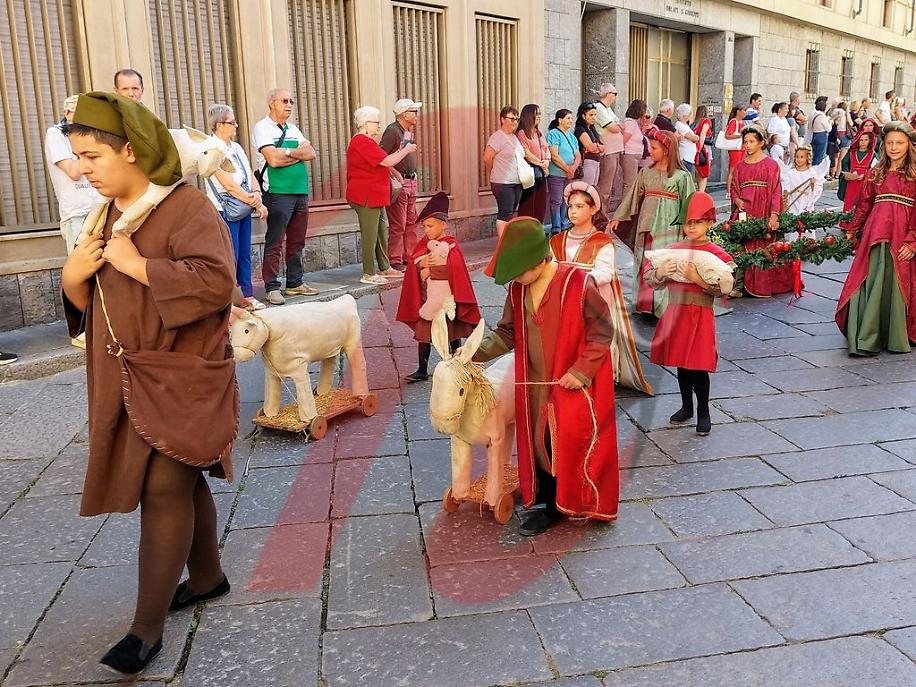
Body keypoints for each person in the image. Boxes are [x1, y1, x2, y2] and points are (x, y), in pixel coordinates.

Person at [61, 92, 237, 676]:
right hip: (128, 374)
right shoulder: (105, 213)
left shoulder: (185, 207)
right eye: (77, 156)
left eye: (90, 155)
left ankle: (145, 630)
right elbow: (101, 305)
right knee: (181, 479)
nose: (82, 168)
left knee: (164, 488)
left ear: (130, 149)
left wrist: (139, 266)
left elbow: (218, 284)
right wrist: (73, 281)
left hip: (181, 372)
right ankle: (208, 577)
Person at [472, 217, 619, 535]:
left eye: (521, 272)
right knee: (537, 441)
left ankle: (559, 506)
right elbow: (507, 333)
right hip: (535, 381)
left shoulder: (578, 282)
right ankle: (548, 497)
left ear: (541, 259)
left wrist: (581, 371)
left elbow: (603, 331)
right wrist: (472, 352)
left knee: (564, 440)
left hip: (569, 381)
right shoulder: (517, 289)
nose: (518, 279)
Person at [644, 192, 735, 436]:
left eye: (697, 222)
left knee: (698, 364)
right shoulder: (674, 249)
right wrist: (661, 271)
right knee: (682, 363)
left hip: (700, 312)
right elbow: (652, 280)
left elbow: (725, 287)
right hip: (676, 311)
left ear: (709, 223)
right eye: (688, 223)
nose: (691, 227)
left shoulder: (716, 253)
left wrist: (699, 280)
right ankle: (687, 406)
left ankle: (703, 410)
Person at [553, 181, 652, 395]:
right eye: (571, 206)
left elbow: (605, 273)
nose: (573, 211)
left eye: (580, 206)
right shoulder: (557, 241)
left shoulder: (602, 242)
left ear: (593, 209)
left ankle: (600, 378)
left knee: (595, 340)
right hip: (565, 302)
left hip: (595, 302)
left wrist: (574, 279)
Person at [837, 122, 916, 355]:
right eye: (890, 142)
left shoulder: (914, 175)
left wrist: (913, 241)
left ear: (909, 146)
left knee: (898, 280)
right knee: (870, 278)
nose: (894, 147)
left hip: (902, 234)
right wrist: (853, 229)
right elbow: (864, 205)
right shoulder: (875, 173)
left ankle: (895, 334)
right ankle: (867, 333)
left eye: (899, 143)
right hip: (875, 234)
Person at [396, 192, 481, 382]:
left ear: (443, 225)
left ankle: (456, 363)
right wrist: (421, 264)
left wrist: (432, 271)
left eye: (430, 226)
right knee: (424, 333)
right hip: (429, 298)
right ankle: (422, 369)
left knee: (452, 331)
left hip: (447, 299)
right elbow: (413, 264)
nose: (426, 230)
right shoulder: (423, 244)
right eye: (424, 226)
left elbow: (456, 270)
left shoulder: (451, 245)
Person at [609, 130, 695, 317]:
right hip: (646, 225)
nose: (650, 150)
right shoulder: (645, 172)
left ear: (666, 150)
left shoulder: (682, 176)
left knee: (665, 263)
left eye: (654, 148)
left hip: (670, 227)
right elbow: (633, 196)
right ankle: (645, 303)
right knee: (645, 261)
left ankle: (663, 306)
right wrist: (618, 216)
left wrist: (690, 228)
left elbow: (689, 203)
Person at [251, 87, 319, 305]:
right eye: (284, 101)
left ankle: (294, 283)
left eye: (291, 100)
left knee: (297, 241)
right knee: (275, 241)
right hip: (278, 193)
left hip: (299, 191)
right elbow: (273, 160)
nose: (289, 104)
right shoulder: (262, 128)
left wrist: (287, 153)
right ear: (272, 103)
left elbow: (311, 152)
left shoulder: (293, 128)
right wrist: (295, 154)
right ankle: (271, 286)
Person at [205, 103, 267, 311]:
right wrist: (253, 201)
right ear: (219, 124)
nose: (236, 126)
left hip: (243, 204)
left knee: (244, 254)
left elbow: (249, 174)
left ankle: (247, 295)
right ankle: (232, 299)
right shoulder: (211, 149)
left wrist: (256, 193)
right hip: (226, 208)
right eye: (232, 122)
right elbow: (228, 185)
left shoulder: (236, 148)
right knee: (230, 255)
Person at [346, 105, 416, 285]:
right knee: (370, 235)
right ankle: (368, 272)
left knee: (380, 232)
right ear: (366, 124)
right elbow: (386, 160)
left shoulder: (366, 142)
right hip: (366, 196)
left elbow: (382, 163)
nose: (378, 127)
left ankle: (385, 267)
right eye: (376, 123)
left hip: (375, 196)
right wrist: (405, 151)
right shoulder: (361, 141)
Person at [730, 125, 791, 298]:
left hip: (763, 209)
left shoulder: (770, 165)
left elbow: (775, 191)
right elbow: (734, 187)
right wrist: (736, 200)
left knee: (762, 246)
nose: (747, 145)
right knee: (742, 245)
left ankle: (761, 284)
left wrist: (774, 214)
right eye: (745, 142)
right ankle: (739, 285)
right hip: (744, 210)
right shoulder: (740, 166)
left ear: (761, 143)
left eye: (751, 141)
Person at [45, 94, 100, 254]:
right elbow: (73, 172)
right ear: (67, 113)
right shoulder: (56, 134)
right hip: (77, 212)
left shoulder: (88, 133)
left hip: (99, 207)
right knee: (82, 265)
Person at [381, 98, 422, 271]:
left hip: (410, 180)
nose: (417, 115)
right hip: (400, 182)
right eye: (414, 111)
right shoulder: (392, 131)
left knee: (411, 221)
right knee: (399, 222)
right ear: (405, 114)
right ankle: (395, 259)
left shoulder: (405, 131)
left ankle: (410, 256)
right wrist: (395, 173)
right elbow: (381, 157)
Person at [484, 105, 525, 236]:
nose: (515, 122)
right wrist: (494, 171)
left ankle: (509, 239)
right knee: (505, 212)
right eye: (512, 119)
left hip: (516, 181)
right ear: (502, 119)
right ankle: (502, 243)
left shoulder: (514, 137)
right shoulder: (497, 137)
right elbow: (487, 158)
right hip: (502, 182)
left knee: (511, 212)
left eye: (517, 119)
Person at [546, 109, 580, 234]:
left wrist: (573, 169)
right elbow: (554, 155)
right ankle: (556, 228)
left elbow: (578, 155)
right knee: (556, 201)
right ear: (560, 120)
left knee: (566, 200)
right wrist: (567, 169)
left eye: (571, 118)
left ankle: (563, 224)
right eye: (568, 118)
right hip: (556, 174)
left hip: (568, 175)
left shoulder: (572, 136)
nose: (570, 121)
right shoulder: (554, 134)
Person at [516, 104, 550, 222]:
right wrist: (541, 163)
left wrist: (546, 161)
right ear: (529, 116)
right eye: (537, 114)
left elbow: (546, 148)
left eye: (540, 114)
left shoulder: (538, 132)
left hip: (542, 172)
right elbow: (526, 153)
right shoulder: (522, 133)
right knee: (528, 204)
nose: (539, 116)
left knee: (541, 204)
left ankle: (537, 229)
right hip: (530, 172)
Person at [594, 84, 624, 211]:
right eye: (615, 93)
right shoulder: (599, 108)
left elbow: (619, 124)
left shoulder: (608, 109)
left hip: (615, 150)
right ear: (608, 93)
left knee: (611, 185)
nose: (615, 97)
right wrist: (617, 126)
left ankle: (604, 211)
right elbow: (614, 127)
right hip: (608, 151)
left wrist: (617, 126)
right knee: (605, 186)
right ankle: (601, 213)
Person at [777, 144, 830, 215]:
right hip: (793, 201)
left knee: (805, 218)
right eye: (797, 157)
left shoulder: (811, 172)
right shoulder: (791, 173)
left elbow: (818, 189)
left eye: (802, 157)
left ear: (807, 158)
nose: (798, 159)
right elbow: (785, 187)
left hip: (806, 200)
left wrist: (813, 184)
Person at [838, 130, 877, 212]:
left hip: (864, 183)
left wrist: (866, 175)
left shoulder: (872, 154)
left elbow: (874, 168)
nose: (863, 142)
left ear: (869, 141)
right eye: (861, 140)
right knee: (849, 200)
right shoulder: (852, 152)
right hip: (851, 182)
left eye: (866, 140)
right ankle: (847, 219)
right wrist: (847, 174)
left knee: (862, 202)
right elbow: (844, 162)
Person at [621, 100, 649, 201]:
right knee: (629, 183)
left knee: (633, 183)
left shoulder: (634, 123)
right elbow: (623, 140)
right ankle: (624, 210)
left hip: (635, 155)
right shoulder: (630, 123)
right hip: (630, 155)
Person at [574, 102, 603, 186]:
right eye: (591, 115)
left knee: (593, 188)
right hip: (587, 162)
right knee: (586, 189)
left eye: (595, 115)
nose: (594, 117)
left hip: (596, 162)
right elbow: (591, 147)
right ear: (583, 116)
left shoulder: (592, 130)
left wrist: (596, 146)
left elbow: (603, 148)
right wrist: (597, 146)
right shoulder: (580, 129)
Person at [725, 105, 748, 200]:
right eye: (744, 111)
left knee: (740, 169)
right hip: (735, 149)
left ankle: (737, 188)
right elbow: (727, 135)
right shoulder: (734, 121)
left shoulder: (742, 122)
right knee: (733, 169)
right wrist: (739, 136)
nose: (745, 113)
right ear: (738, 111)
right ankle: (729, 191)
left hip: (742, 148)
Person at [691, 105, 713, 192]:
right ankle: (701, 192)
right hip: (704, 148)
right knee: (705, 171)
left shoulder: (693, 123)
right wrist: (700, 147)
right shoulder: (707, 121)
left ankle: (698, 190)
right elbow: (703, 133)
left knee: (699, 171)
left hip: (694, 147)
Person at [674, 103, 699, 174]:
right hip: (685, 157)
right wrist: (696, 137)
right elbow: (694, 138)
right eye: (689, 113)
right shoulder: (680, 125)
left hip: (688, 157)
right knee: (686, 177)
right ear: (685, 114)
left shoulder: (685, 125)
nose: (690, 115)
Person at [830, 102, 851, 179]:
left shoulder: (834, 112)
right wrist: (847, 112)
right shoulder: (844, 113)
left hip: (836, 134)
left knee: (835, 155)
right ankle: (838, 174)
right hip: (844, 135)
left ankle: (832, 172)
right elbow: (850, 123)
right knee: (841, 157)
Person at [809, 96, 831, 165]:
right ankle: (817, 172)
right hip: (821, 136)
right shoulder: (822, 116)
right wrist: (830, 122)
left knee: (814, 155)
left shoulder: (813, 115)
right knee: (819, 156)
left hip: (814, 135)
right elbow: (828, 128)